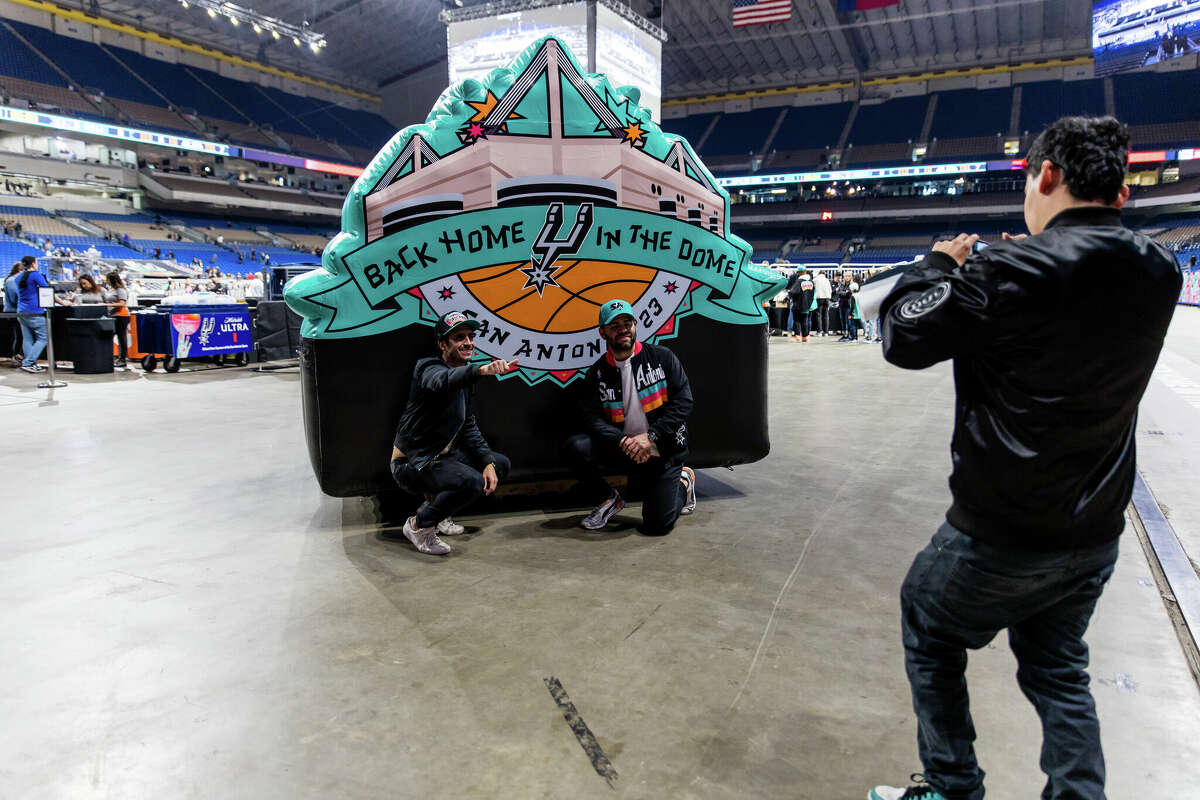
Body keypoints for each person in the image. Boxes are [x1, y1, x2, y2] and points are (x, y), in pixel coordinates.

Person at [868, 117, 1182, 800]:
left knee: (929, 625)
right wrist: (1008, 272)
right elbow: (1069, 311)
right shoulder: (1158, 270)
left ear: (1045, 176)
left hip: (1004, 530)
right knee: (1057, 668)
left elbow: (901, 332)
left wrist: (943, 265)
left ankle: (953, 788)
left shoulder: (1006, 269)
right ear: (1122, 194)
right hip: (1095, 528)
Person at [563, 299, 696, 535]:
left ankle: (684, 483)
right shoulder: (597, 373)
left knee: (656, 526)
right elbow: (591, 418)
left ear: (635, 325)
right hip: (623, 448)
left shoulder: (663, 358)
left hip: (662, 449)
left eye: (627, 323)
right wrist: (622, 440)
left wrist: (651, 436)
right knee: (576, 447)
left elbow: (683, 401)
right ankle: (608, 499)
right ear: (602, 332)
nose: (623, 329)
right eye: (614, 325)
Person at [389, 311, 516, 556]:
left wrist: (487, 461)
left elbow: (468, 425)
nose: (468, 342)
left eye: (470, 336)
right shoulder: (427, 367)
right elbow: (442, 380)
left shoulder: (464, 381)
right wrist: (481, 371)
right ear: (442, 344)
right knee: (472, 482)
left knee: (499, 464)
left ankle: (440, 512)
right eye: (459, 337)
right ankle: (418, 526)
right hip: (412, 464)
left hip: (444, 458)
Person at [15, 255, 50, 374]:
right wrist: (63, 302)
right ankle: (29, 362)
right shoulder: (36, 275)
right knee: (44, 338)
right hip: (34, 312)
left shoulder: (18, 277)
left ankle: (30, 364)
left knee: (27, 339)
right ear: (33, 264)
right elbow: (47, 291)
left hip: (21, 311)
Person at [104, 271, 130, 368]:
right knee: (114, 336)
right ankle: (118, 358)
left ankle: (122, 358)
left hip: (121, 315)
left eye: (107, 279)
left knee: (121, 337)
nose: (106, 281)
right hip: (114, 315)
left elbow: (122, 303)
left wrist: (107, 305)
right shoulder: (113, 290)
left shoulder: (120, 290)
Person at [788, 269, 815, 341]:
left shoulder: (799, 281)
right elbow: (813, 293)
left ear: (799, 273)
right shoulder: (811, 281)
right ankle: (805, 337)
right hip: (807, 305)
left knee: (796, 320)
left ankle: (797, 336)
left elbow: (794, 292)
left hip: (798, 304)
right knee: (804, 321)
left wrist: (789, 292)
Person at [4, 262, 23, 366]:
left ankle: (18, 356)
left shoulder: (13, 280)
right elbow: (14, 298)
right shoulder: (12, 281)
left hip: (17, 311)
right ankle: (16, 357)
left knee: (20, 335)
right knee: (19, 335)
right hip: (14, 311)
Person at [813, 269, 832, 336]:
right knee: (826, 315)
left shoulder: (815, 280)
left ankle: (819, 331)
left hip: (819, 298)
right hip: (827, 298)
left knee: (818, 315)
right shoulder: (827, 280)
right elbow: (830, 290)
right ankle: (826, 332)